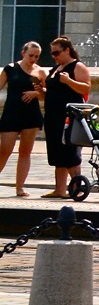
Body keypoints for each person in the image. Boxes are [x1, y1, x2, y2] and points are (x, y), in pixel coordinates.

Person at [41, 37, 90, 197]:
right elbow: (55, 92)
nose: (54, 56)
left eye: (57, 52)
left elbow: (86, 87)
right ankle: (60, 190)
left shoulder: (77, 66)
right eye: (52, 53)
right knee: (57, 152)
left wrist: (68, 81)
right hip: (53, 116)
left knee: (70, 152)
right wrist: (41, 92)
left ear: (67, 50)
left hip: (69, 117)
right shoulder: (57, 68)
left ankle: (77, 187)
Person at [3, 41, 44, 195]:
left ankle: (20, 187)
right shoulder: (11, 68)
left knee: (25, 151)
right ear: (23, 53)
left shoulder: (40, 72)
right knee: (4, 150)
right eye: (31, 55)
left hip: (31, 115)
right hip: (12, 112)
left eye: (37, 56)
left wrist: (36, 93)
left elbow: (47, 94)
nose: (33, 59)